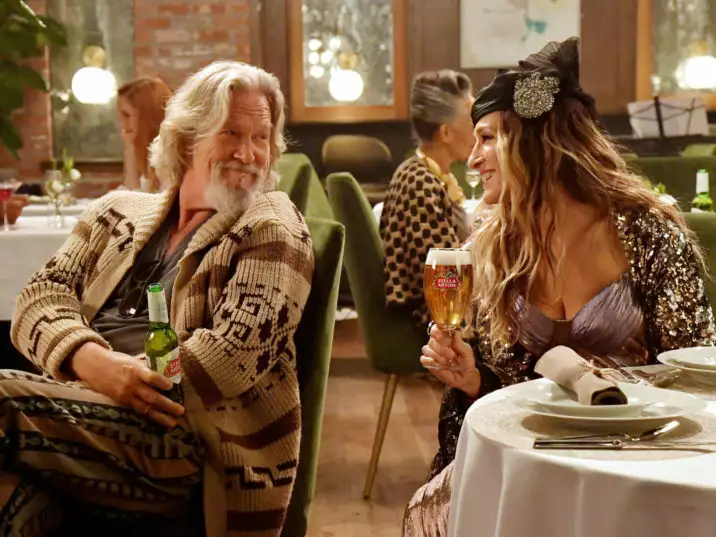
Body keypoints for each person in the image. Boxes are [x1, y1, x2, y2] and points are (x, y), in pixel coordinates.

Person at [402, 37, 716, 536]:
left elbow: (695, 373)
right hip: (538, 456)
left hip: (641, 461)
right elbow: (509, 387)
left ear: (533, 140)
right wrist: (472, 378)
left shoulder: (647, 233)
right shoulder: (495, 246)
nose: (473, 158)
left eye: (487, 138)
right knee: (430, 512)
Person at [7, 61, 314, 537]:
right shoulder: (117, 211)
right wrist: (94, 363)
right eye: (231, 133)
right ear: (188, 138)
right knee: (11, 493)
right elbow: (37, 298)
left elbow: (229, 357)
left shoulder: (271, 225)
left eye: (261, 138)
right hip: (80, 417)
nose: (249, 153)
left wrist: (119, 381)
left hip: (184, 441)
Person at [379, 70, 475, 330]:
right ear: (446, 132)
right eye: (472, 119)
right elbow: (447, 281)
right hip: (435, 324)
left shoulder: (435, 175)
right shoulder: (419, 183)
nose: (478, 129)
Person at [117, 77, 172, 192]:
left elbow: (134, 199)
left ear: (146, 116)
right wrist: (129, 149)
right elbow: (132, 194)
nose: (122, 123)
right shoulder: (151, 153)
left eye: (127, 115)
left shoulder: (169, 157)